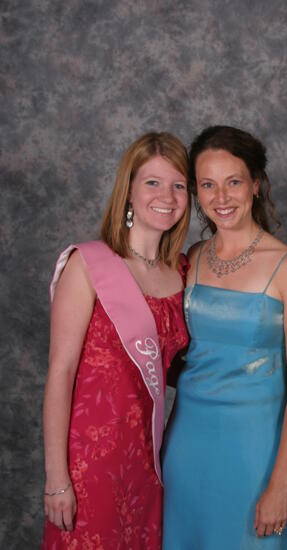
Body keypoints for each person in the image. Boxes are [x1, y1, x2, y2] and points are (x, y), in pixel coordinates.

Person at [162, 126, 287, 549]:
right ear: (196, 191)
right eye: (208, 185)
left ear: (256, 183)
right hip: (187, 446)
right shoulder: (193, 259)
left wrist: (280, 484)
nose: (221, 197)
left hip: (256, 454)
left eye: (233, 182)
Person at [41, 132, 191, 550]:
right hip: (91, 462)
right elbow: (60, 373)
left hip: (150, 461)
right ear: (128, 191)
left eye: (179, 185)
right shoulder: (87, 265)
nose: (167, 196)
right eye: (153, 183)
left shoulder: (182, 272)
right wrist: (57, 479)